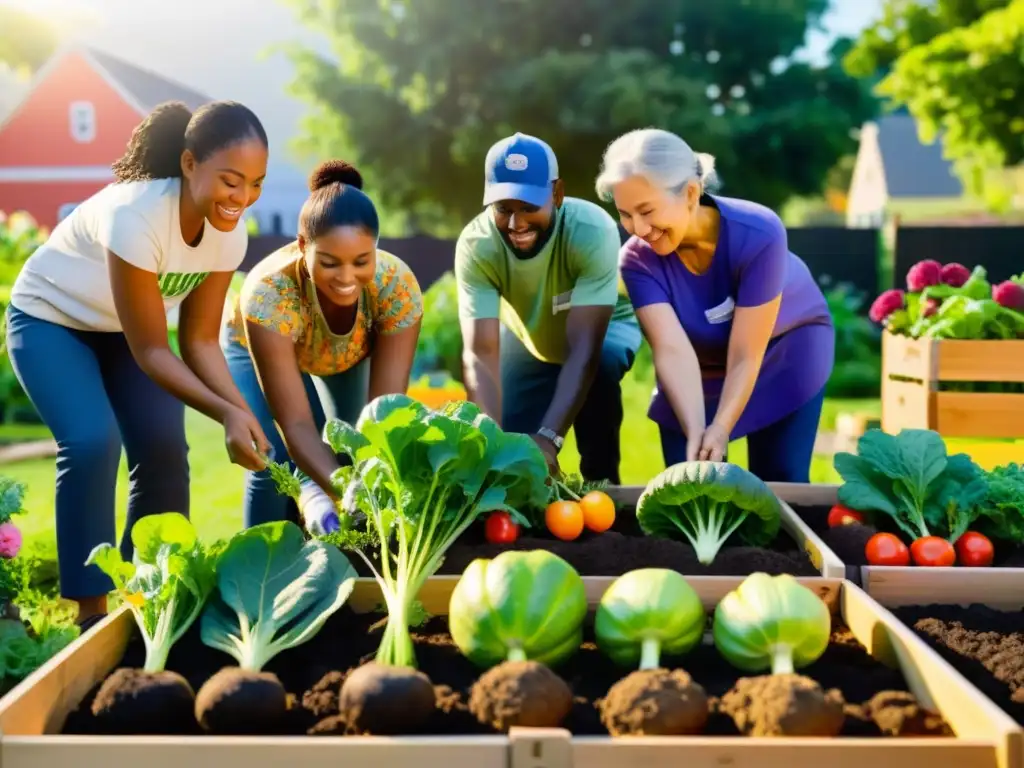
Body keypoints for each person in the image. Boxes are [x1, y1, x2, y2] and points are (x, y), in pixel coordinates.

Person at [6, 100, 273, 623]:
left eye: (256, 183)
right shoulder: (136, 214)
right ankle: (89, 615)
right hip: (48, 322)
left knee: (163, 449)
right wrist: (225, 414)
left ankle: (151, 597)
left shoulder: (228, 234)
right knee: (91, 441)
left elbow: (198, 341)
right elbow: (153, 350)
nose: (242, 198)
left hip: (119, 334)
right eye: (230, 180)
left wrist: (241, 411)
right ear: (190, 164)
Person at [595, 128, 835, 482]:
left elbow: (746, 353)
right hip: (699, 362)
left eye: (647, 210)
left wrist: (720, 426)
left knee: (779, 478)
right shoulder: (636, 260)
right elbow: (672, 350)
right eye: (626, 214)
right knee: (685, 479)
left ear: (690, 193)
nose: (639, 229)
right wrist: (697, 429)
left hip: (784, 348)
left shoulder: (759, 232)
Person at [221, 160, 423, 533]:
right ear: (302, 246)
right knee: (271, 461)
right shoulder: (269, 293)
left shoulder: (397, 288)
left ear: (376, 249)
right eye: (330, 263)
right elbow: (296, 424)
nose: (346, 278)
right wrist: (349, 492)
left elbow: (384, 416)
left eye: (361, 261)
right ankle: (263, 579)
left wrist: (366, 488)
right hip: (255, 348)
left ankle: (340, 576)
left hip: (343, 354)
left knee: (350, 455)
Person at [455, 133, 641, 483]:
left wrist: (550, 438)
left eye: (528, 207)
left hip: (604, 331)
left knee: (599, 371)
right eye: (503, 208)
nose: (516, 223)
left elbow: (584, 349)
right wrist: (490, 441)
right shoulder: (477, 246)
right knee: (508, 452)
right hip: (529, 337)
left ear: (556, 194)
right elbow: (480, 352)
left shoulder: (591, 230)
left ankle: (603, 489)